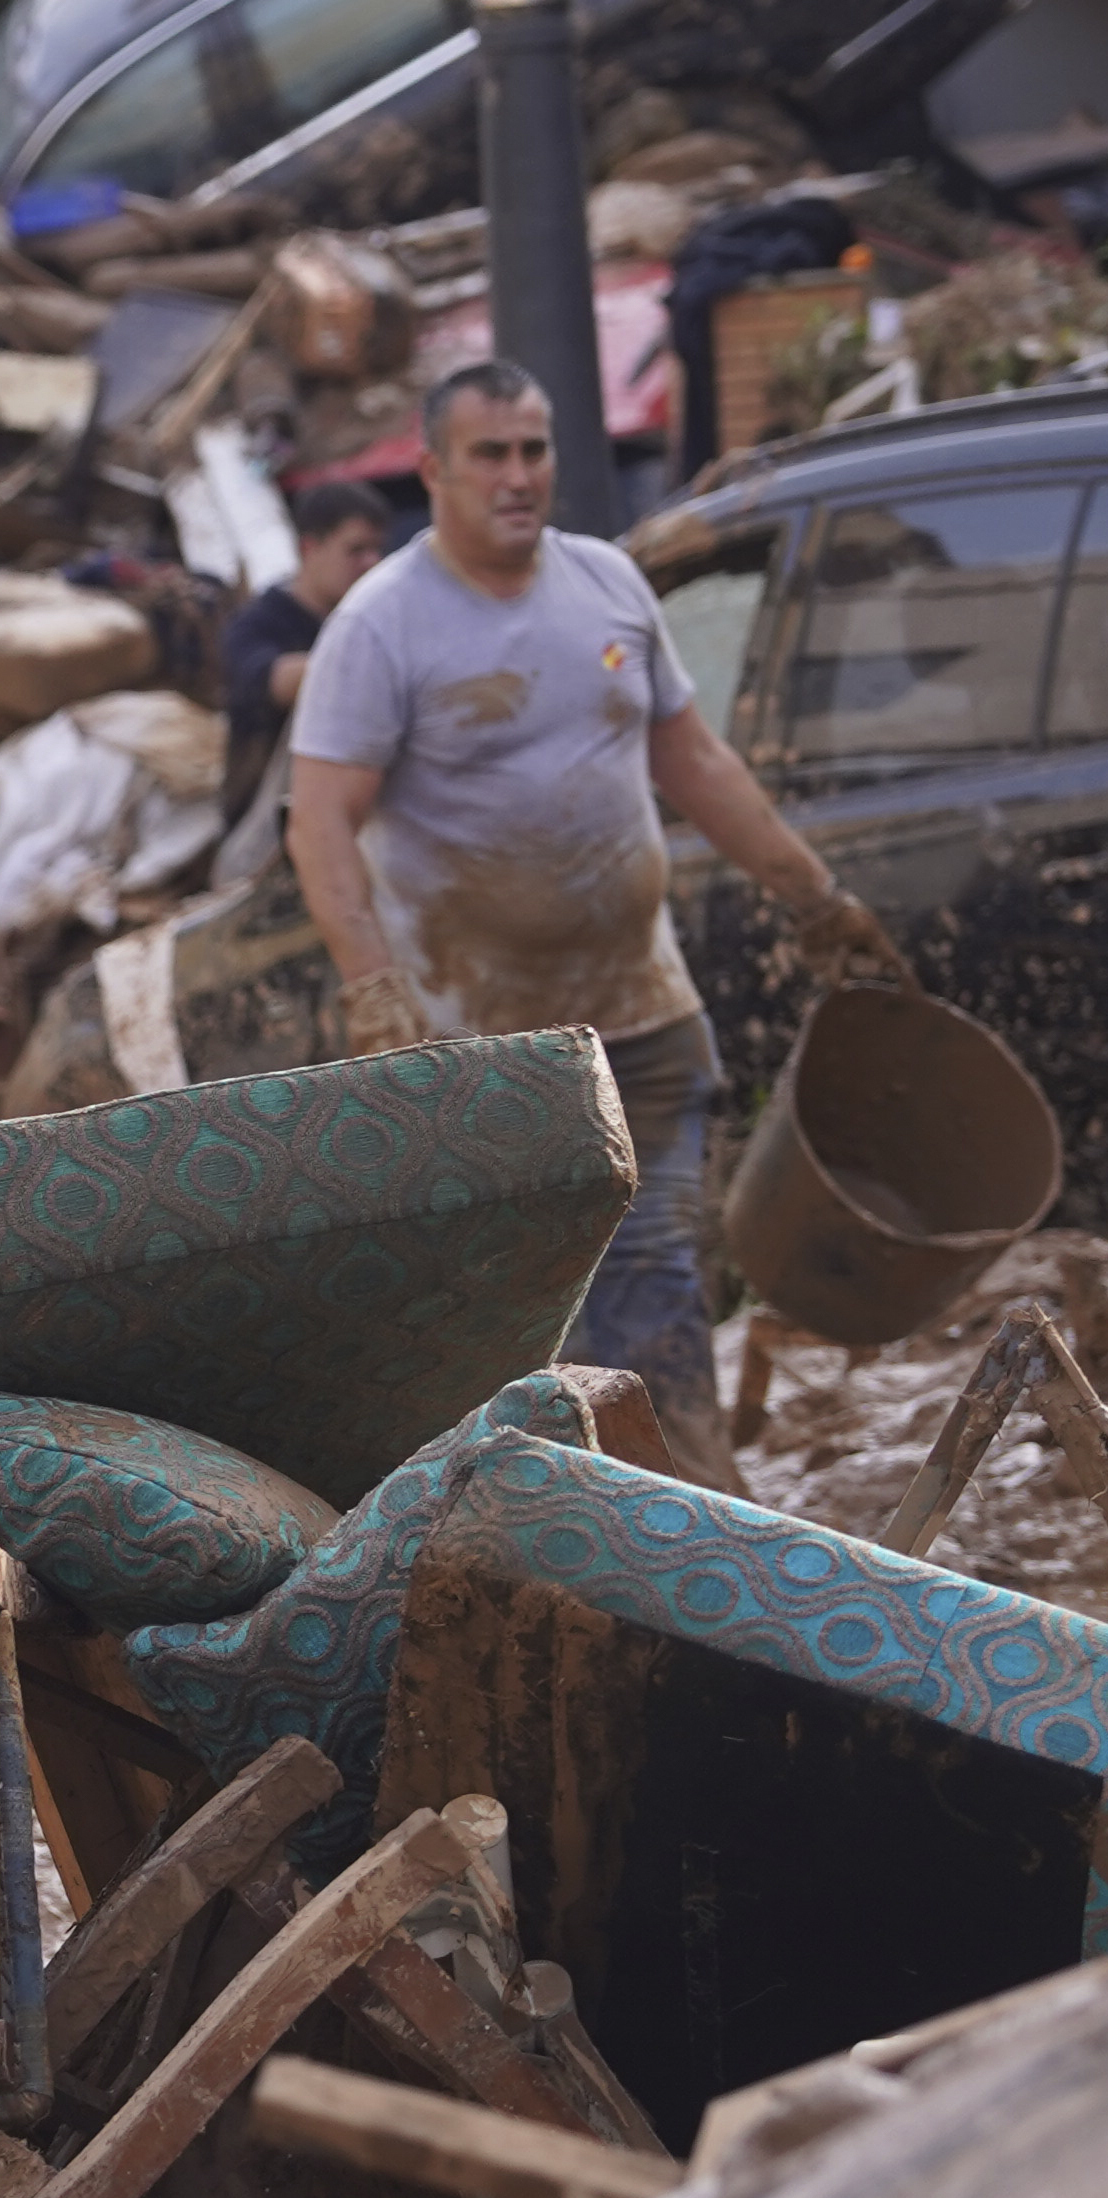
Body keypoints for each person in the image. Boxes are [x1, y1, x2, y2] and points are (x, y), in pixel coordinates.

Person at [285, 362, 902, 1489]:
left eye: (535, 449)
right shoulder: (383, 628)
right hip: (485, 1048)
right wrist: (371, 986)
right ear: (433, 469)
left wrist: (813, 895)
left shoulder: (609, 584)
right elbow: (321, 817)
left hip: (642, 1018)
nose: (519, 476)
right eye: (491, 453)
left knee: (660, 1271)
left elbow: (695, 760)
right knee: (524, 1309)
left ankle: (708, 1519)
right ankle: (552, 1527)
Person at [216, 479, 392, 821]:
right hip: (265, 826)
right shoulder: (257, 624)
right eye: (355, 550)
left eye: (376, 550)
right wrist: (375, 669)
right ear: (309, 548)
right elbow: (269, 679)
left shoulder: (372, 622)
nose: (371, 563)